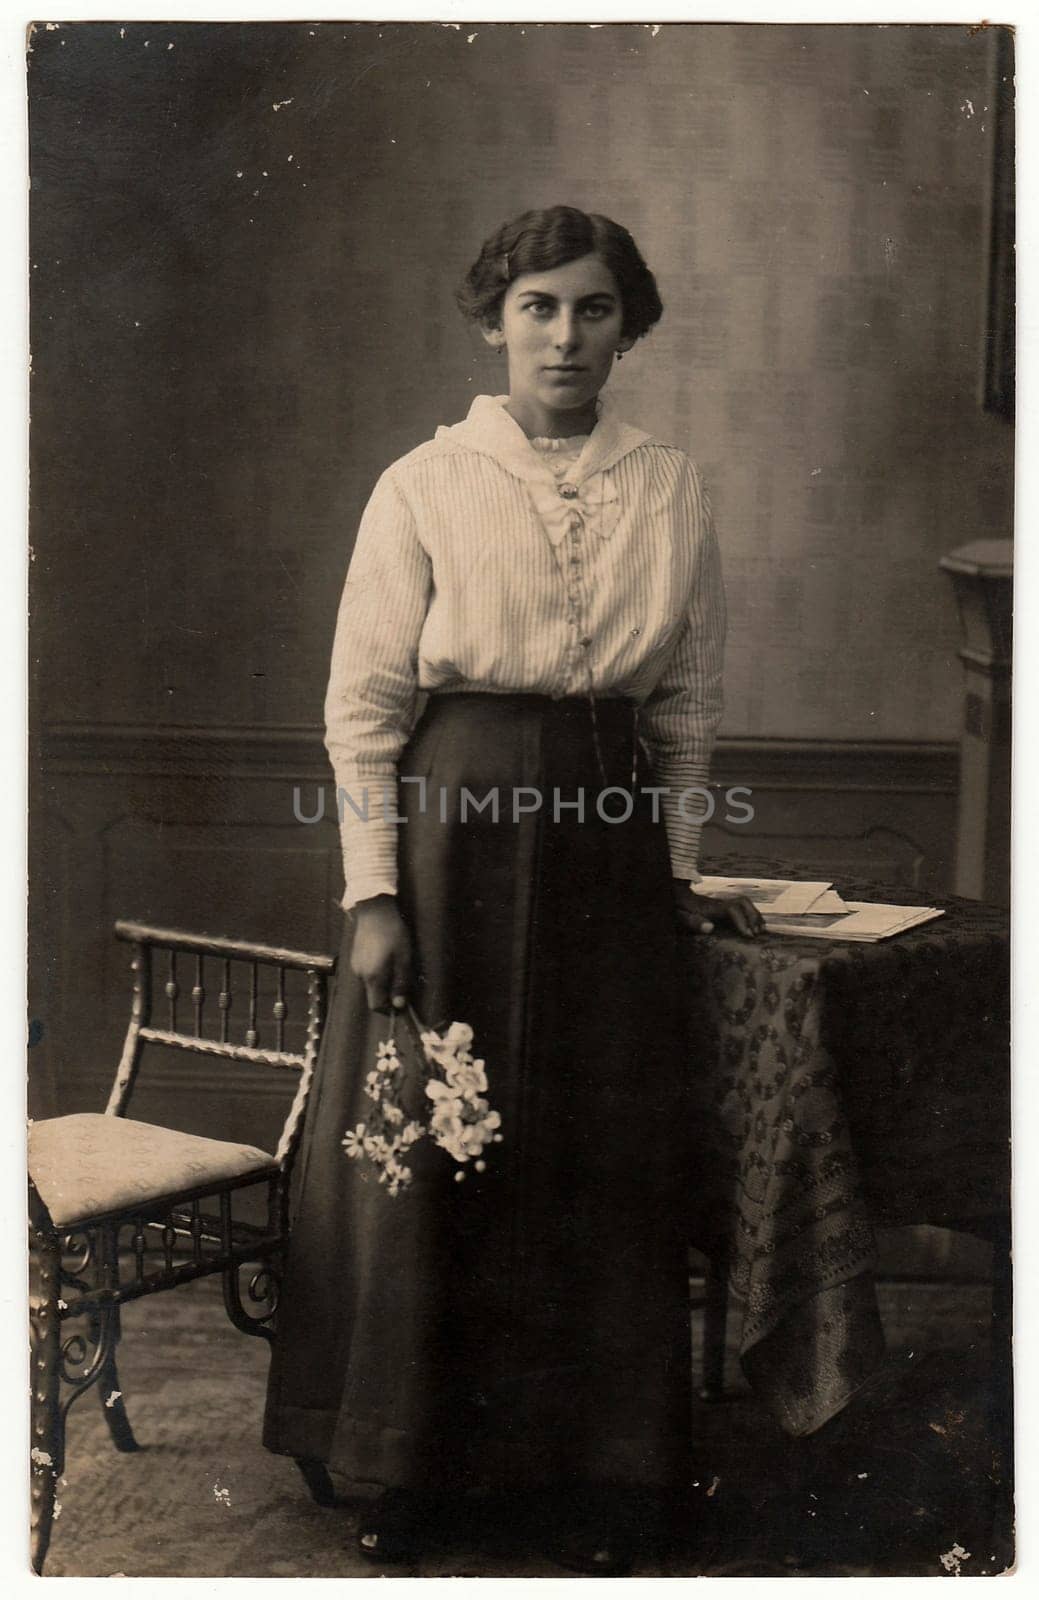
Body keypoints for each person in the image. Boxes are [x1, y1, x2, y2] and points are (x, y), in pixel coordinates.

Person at [263, 205, 762, 1573]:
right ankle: (408, 1470)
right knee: (434, 1146)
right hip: (453, 834)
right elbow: (361, 710)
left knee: (596, 1152)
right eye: (539, 306)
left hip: (606, 842)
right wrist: (375, 895)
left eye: (593, 310)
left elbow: (694, 705)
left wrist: (672, 867)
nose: (565, 335)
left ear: (627, 329)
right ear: (495, 319)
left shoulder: (672, 483)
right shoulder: (422, 484)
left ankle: (598, 1476)